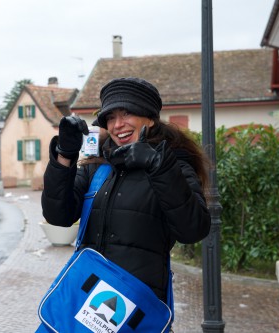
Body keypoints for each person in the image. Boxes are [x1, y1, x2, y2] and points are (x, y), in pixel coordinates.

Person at [41, 77, 211, 302]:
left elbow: (193, 230)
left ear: (150, 119)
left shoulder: (173, 166)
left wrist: (158, 167)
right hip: (87, 298)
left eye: (126, 113)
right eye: (110, 117)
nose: (117, 124)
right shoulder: (97, 166)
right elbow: (57, 215)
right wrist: (64, 154)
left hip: (135, 307)